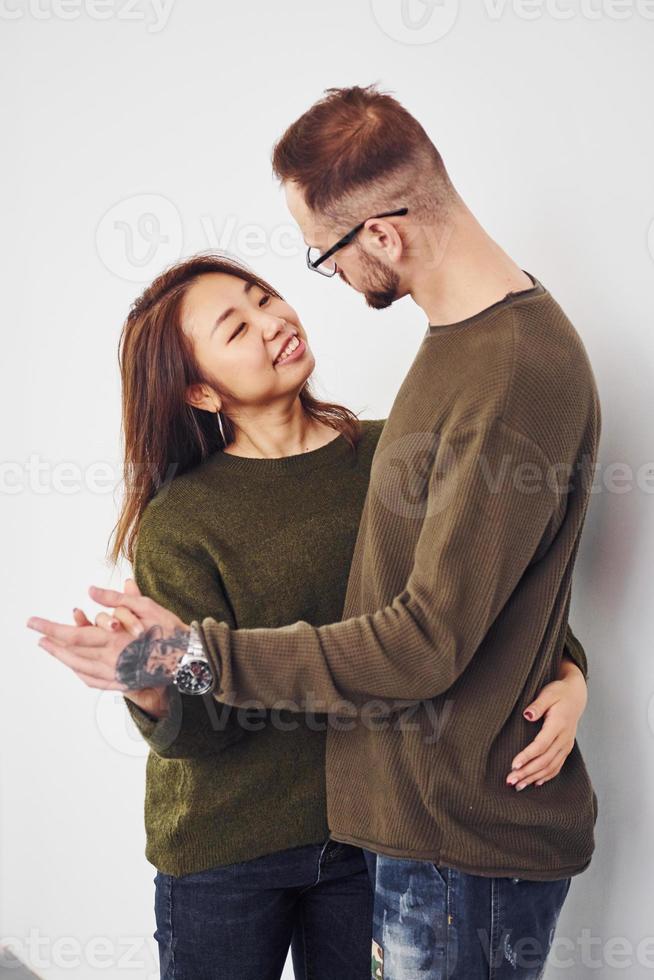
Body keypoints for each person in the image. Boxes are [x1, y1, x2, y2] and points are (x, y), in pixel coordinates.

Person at [28, 85, 599, 979]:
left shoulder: (404, 432)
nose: (284, 312)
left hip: (369, 842)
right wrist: (156, 678)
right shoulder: (188, 519)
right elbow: (203, 721)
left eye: (272, 291)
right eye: (236, 326)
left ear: (382, 235)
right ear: (201, 392)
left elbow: (466, 610)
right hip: (236, 848)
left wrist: (570, 673)